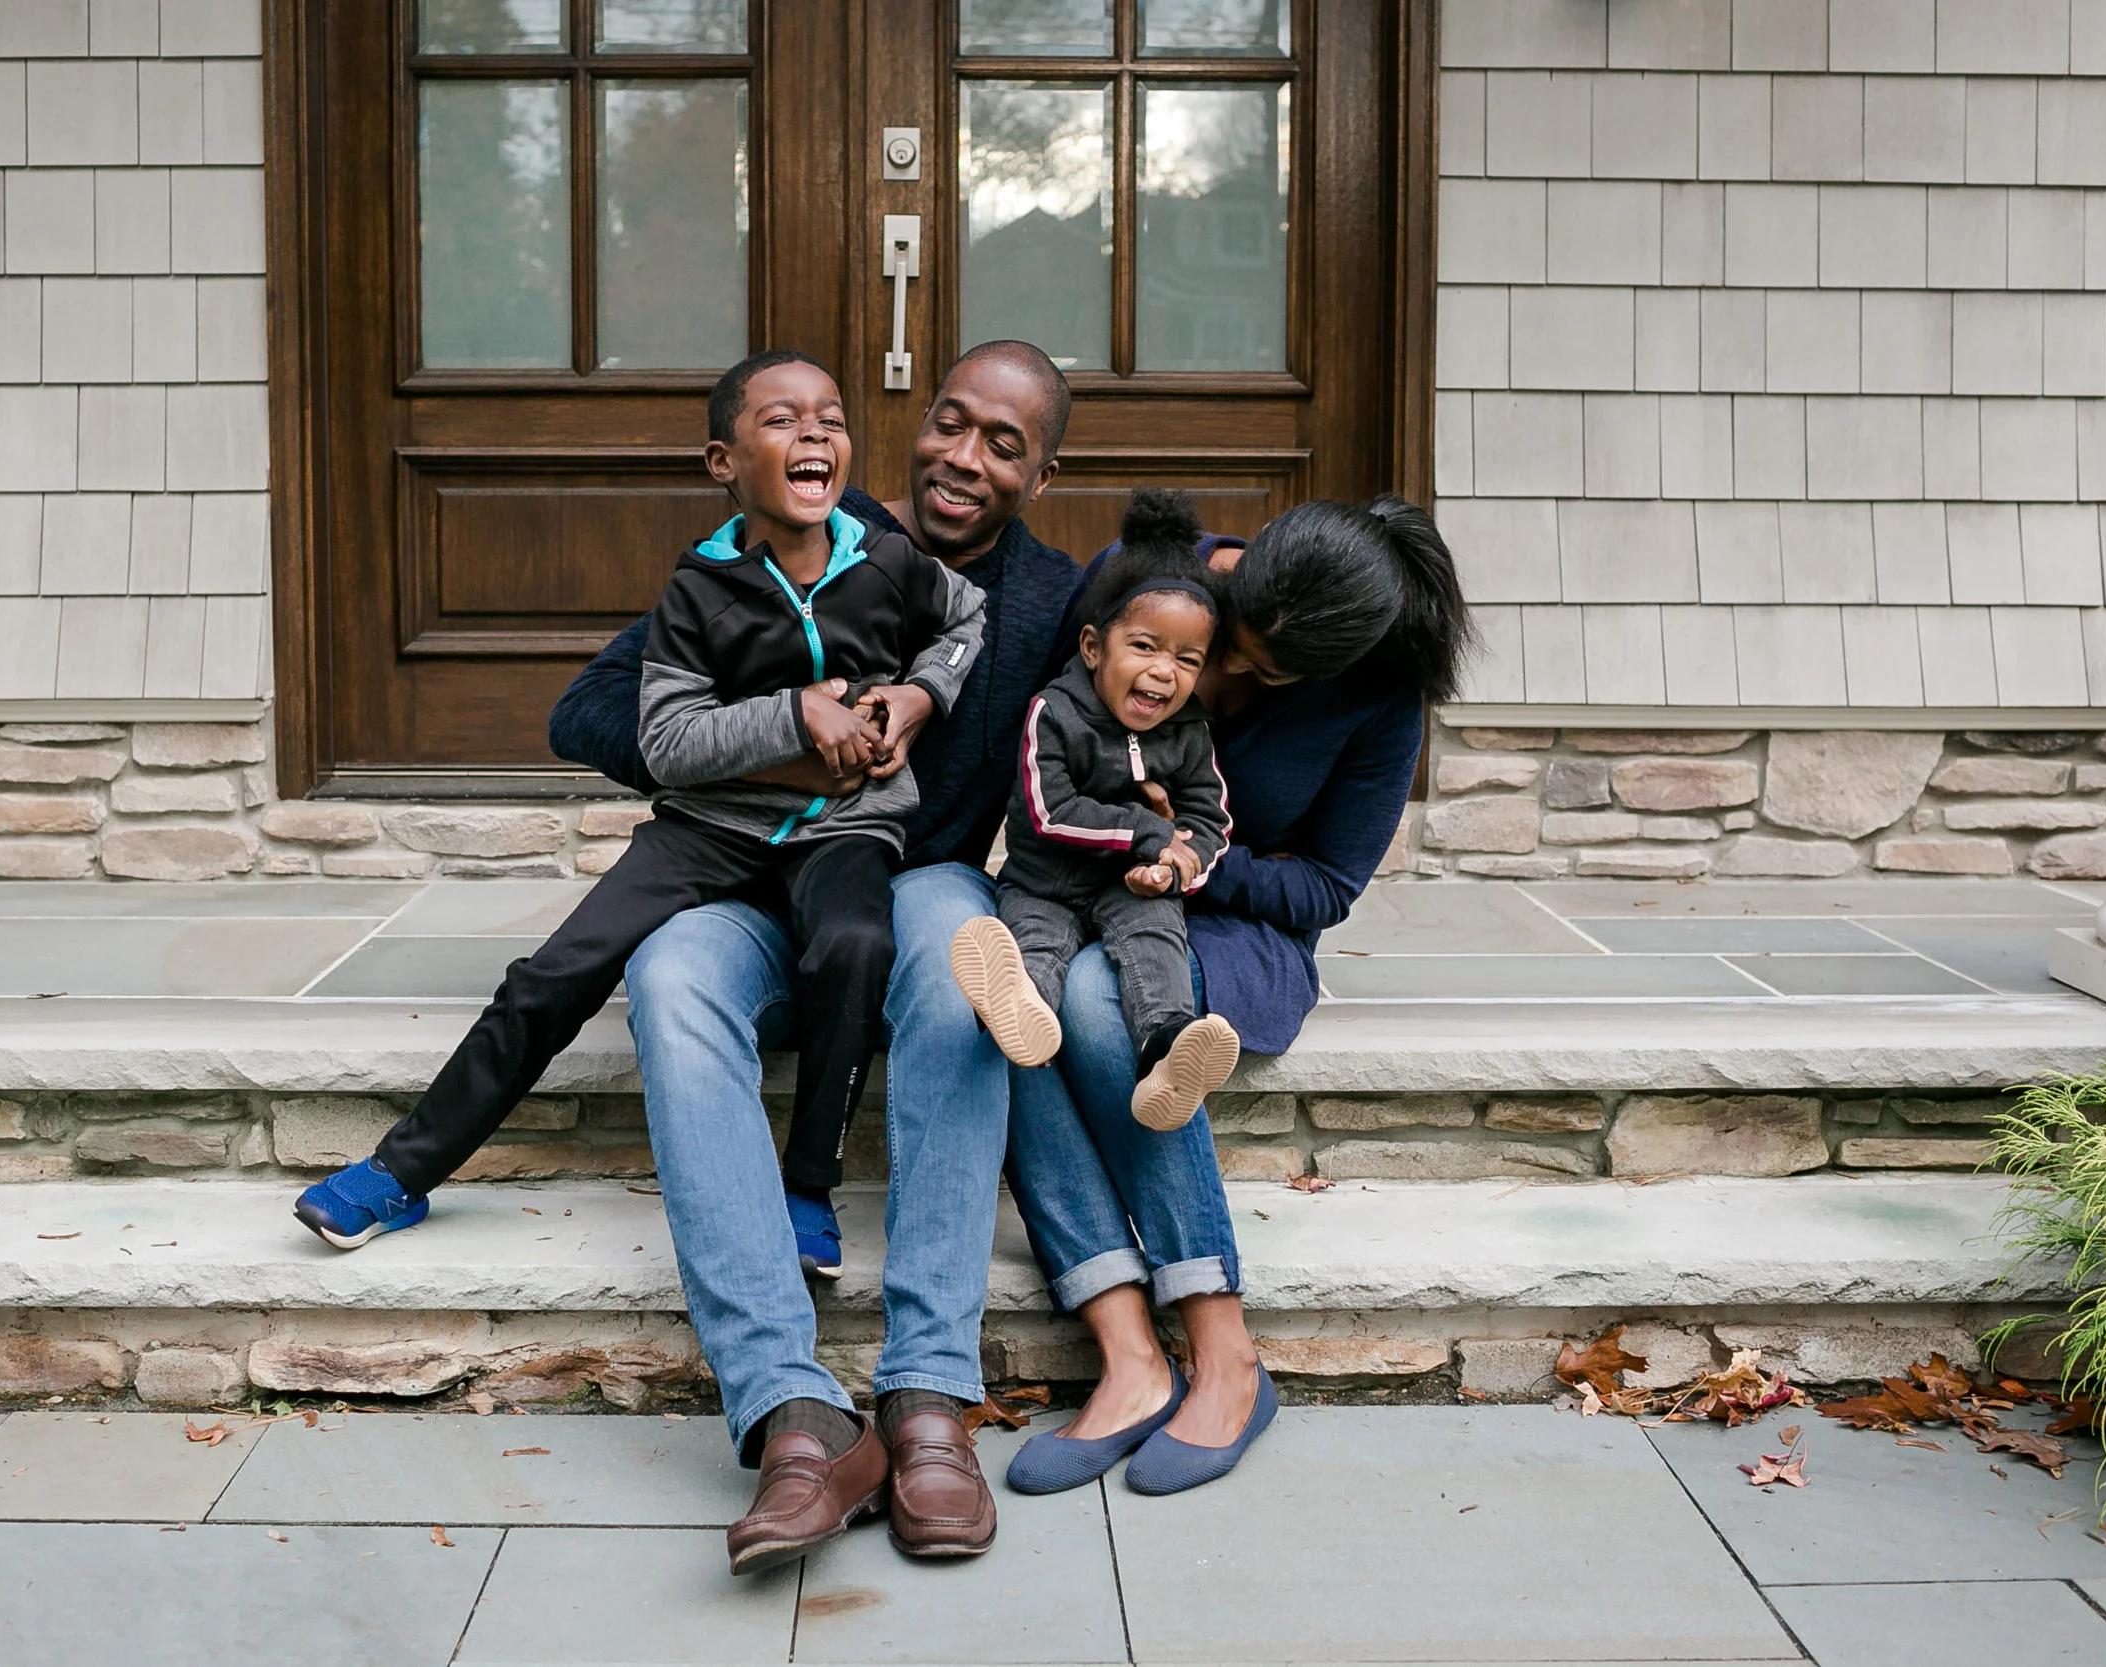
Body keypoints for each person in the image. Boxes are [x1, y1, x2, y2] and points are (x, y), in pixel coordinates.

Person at [549, 342, 1088, 1573]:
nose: (962, 457)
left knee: (967, 953)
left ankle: (929, 1393)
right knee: (671, 975)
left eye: (1002, 444)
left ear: (1041, 475)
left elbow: (1149, 679)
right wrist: (786, 733)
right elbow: (588, 712)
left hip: (918, 885)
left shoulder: (1051, 598)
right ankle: (791, 1407)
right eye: (949, 423)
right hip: (752, 878)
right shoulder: (793, 534)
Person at [290, 351, 984, 1293]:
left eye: (831, 416)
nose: (815, 433)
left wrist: (917, 698)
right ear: (722, 462)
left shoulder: (886, 558)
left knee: (857, 943)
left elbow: (966, 622)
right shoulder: (699, 587)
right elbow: (666, 740)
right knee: (555, 972)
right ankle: (402, 1170)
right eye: (781, 420)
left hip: (844, 825)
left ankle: (807, 1187)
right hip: (709, 827)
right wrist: (793, 713)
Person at [1001, 494, 1469, 1499]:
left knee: (1092, 1000)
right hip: (1086, 881)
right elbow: (1052, 728)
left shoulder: (1379, 694)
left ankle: (1224, 1353)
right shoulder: (1149, 575)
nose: (1222, 677)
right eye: (1230, 648)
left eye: (1263, 672)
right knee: (1011, 999)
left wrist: (1194, 856)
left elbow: (1324, 886)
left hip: (1239, 930)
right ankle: (1127, 1352)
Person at [952, 489, 1239, 1133]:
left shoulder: (1188, 732)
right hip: (1044, 884)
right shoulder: (1052, 713)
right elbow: (1050, 811)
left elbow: (1210, 819)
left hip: (1129, 889)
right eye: (1145, 646)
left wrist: (1173, 870)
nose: (1164, 673)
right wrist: (1151, 834)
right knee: (1036, 948)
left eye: (1187, 659)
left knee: (1156, 939)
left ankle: (1167, 1051)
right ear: (1092, 647)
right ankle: (1016, 1010)